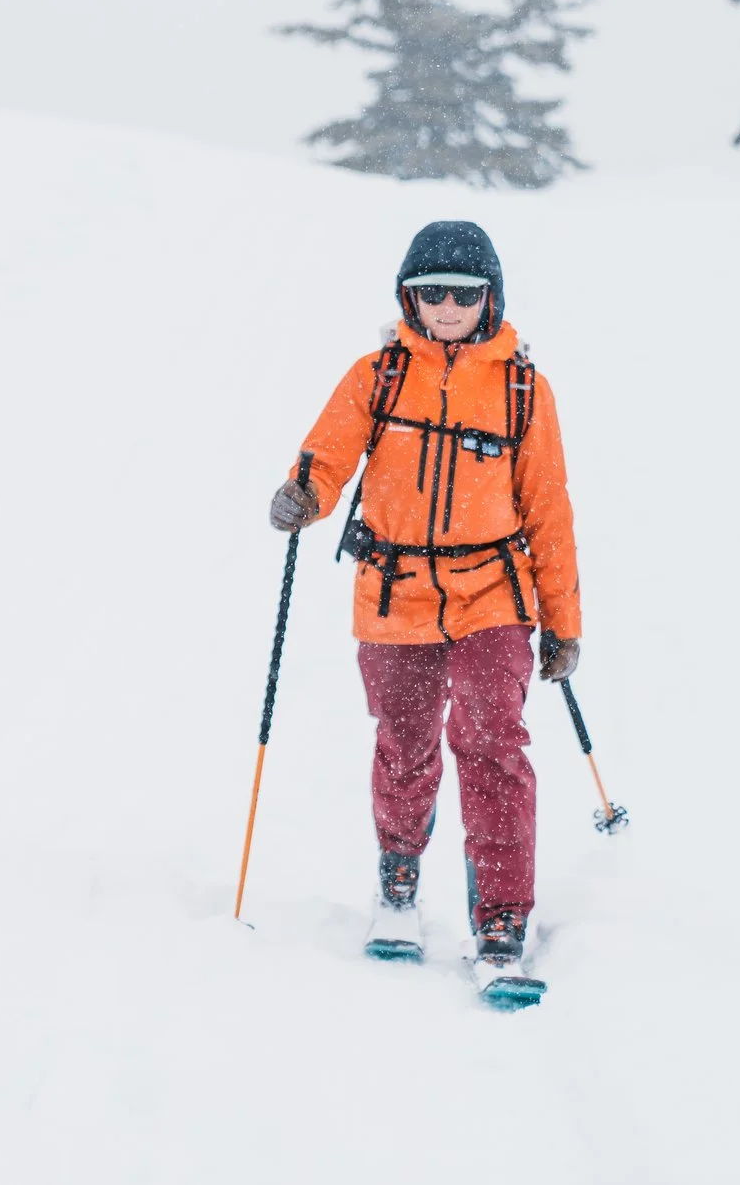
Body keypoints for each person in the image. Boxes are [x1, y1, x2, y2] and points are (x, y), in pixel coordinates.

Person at [267, 220, 579, 996]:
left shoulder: (522, 390)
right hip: (395, 590)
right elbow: (327, 456)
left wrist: (562, 622)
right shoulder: (378, 376)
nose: (446, 306)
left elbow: (548, 509)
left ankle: (501, 916)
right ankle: (399, 876)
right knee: (405, 744)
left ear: (490, 298)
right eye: (430, 291)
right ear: (408, 296)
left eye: (463, 294)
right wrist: (304, 494)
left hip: (491, 593)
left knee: (494, 744)